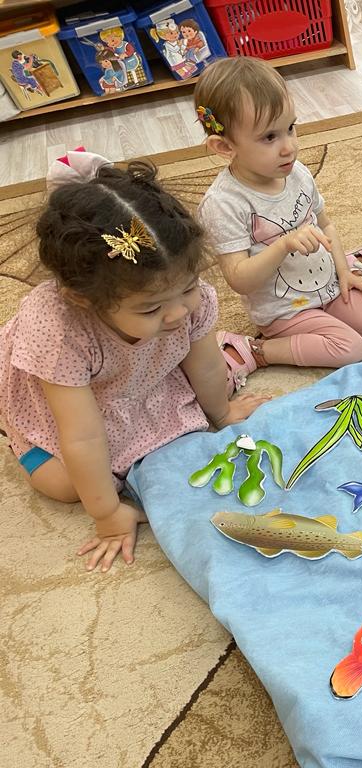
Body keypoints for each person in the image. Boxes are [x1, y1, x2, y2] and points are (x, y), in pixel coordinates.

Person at [0, 152, 267, 573]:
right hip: (67, 401)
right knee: (66, 485)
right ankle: (22, 443)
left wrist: (221, 412)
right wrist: (107, 513)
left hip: (144, 374)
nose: (178, 313)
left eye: (188, 288)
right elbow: (81, 435)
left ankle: (231, 349)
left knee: (210, 396)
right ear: (84, 299)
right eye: (151, 308)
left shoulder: (181, 299)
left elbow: (205, 366)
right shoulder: (60, 330)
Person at [194, 56, 362, 372]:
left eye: (290, 128)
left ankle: (353, 262)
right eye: (269, 137)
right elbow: (239, 279)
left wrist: (345, 272)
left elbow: (326, 225)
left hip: (328, 286)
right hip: (286, 310)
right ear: (224, 147)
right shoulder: (223, 204)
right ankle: (255, 351)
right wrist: (283, 245)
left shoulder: (297, 172)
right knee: (350, 347)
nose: (289, 147)